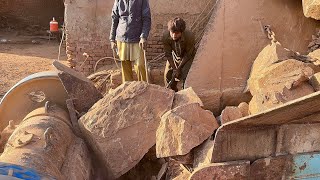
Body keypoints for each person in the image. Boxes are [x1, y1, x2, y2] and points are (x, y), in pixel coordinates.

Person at [109, 0, 151, 82]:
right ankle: (128, 89)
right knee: (125, 66)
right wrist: (112, 39)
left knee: (140, 65)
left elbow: (146, 18)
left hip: (137, 38)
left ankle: (144, 88)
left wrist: (143, 36)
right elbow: (114, 19)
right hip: (122, 37)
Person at [162, 17, 195, 91]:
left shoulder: (189, 36)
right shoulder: (165, 36)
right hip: (174, 56)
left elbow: (188, 55)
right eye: (172, 32)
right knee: (168, 75)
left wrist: (178, 69)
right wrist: (174, 69)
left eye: (177, 33)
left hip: (187, 58)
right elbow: (168, 54)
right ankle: (172, 93)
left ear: (182, 32)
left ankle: (185, 94)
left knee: (186, 76)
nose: (174, 35)